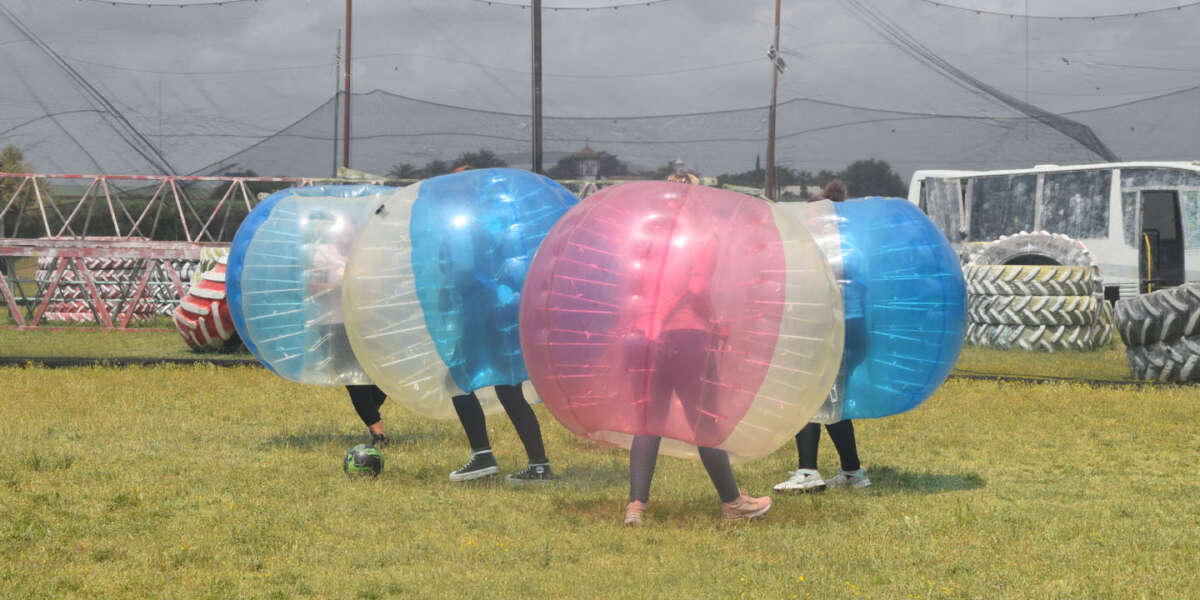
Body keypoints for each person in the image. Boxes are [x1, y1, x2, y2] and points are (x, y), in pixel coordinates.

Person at [623, 199, 770, 525]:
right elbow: (698, 287)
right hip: (686, 337)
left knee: (648, 422)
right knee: (705, 423)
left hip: (645, 339)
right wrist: (715, 322)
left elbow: (634, 289)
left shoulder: (650, 242)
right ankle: (733, 502)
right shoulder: (703, 239)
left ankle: (635, 506)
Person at [774, 179, 870, 492]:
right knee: (831, 404)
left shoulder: (830, 249)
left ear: (825, 220)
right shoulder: (851, 246)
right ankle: (853, 473)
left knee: (809, 396)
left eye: (811, 217)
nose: (806, 221)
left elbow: (818, 290)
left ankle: (807, 472)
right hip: (851, 332)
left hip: (835, 332)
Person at [308, 217, 391, 447]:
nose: (345, 239)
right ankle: (378, 433)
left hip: (366, 325)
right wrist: (335, 288)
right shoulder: (324, 254)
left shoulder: (366, 255)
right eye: (342, 234)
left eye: (350, 234)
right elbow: (311, 287)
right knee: (354, 378)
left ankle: (369, 412)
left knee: (383, 380)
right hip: (335, 325)